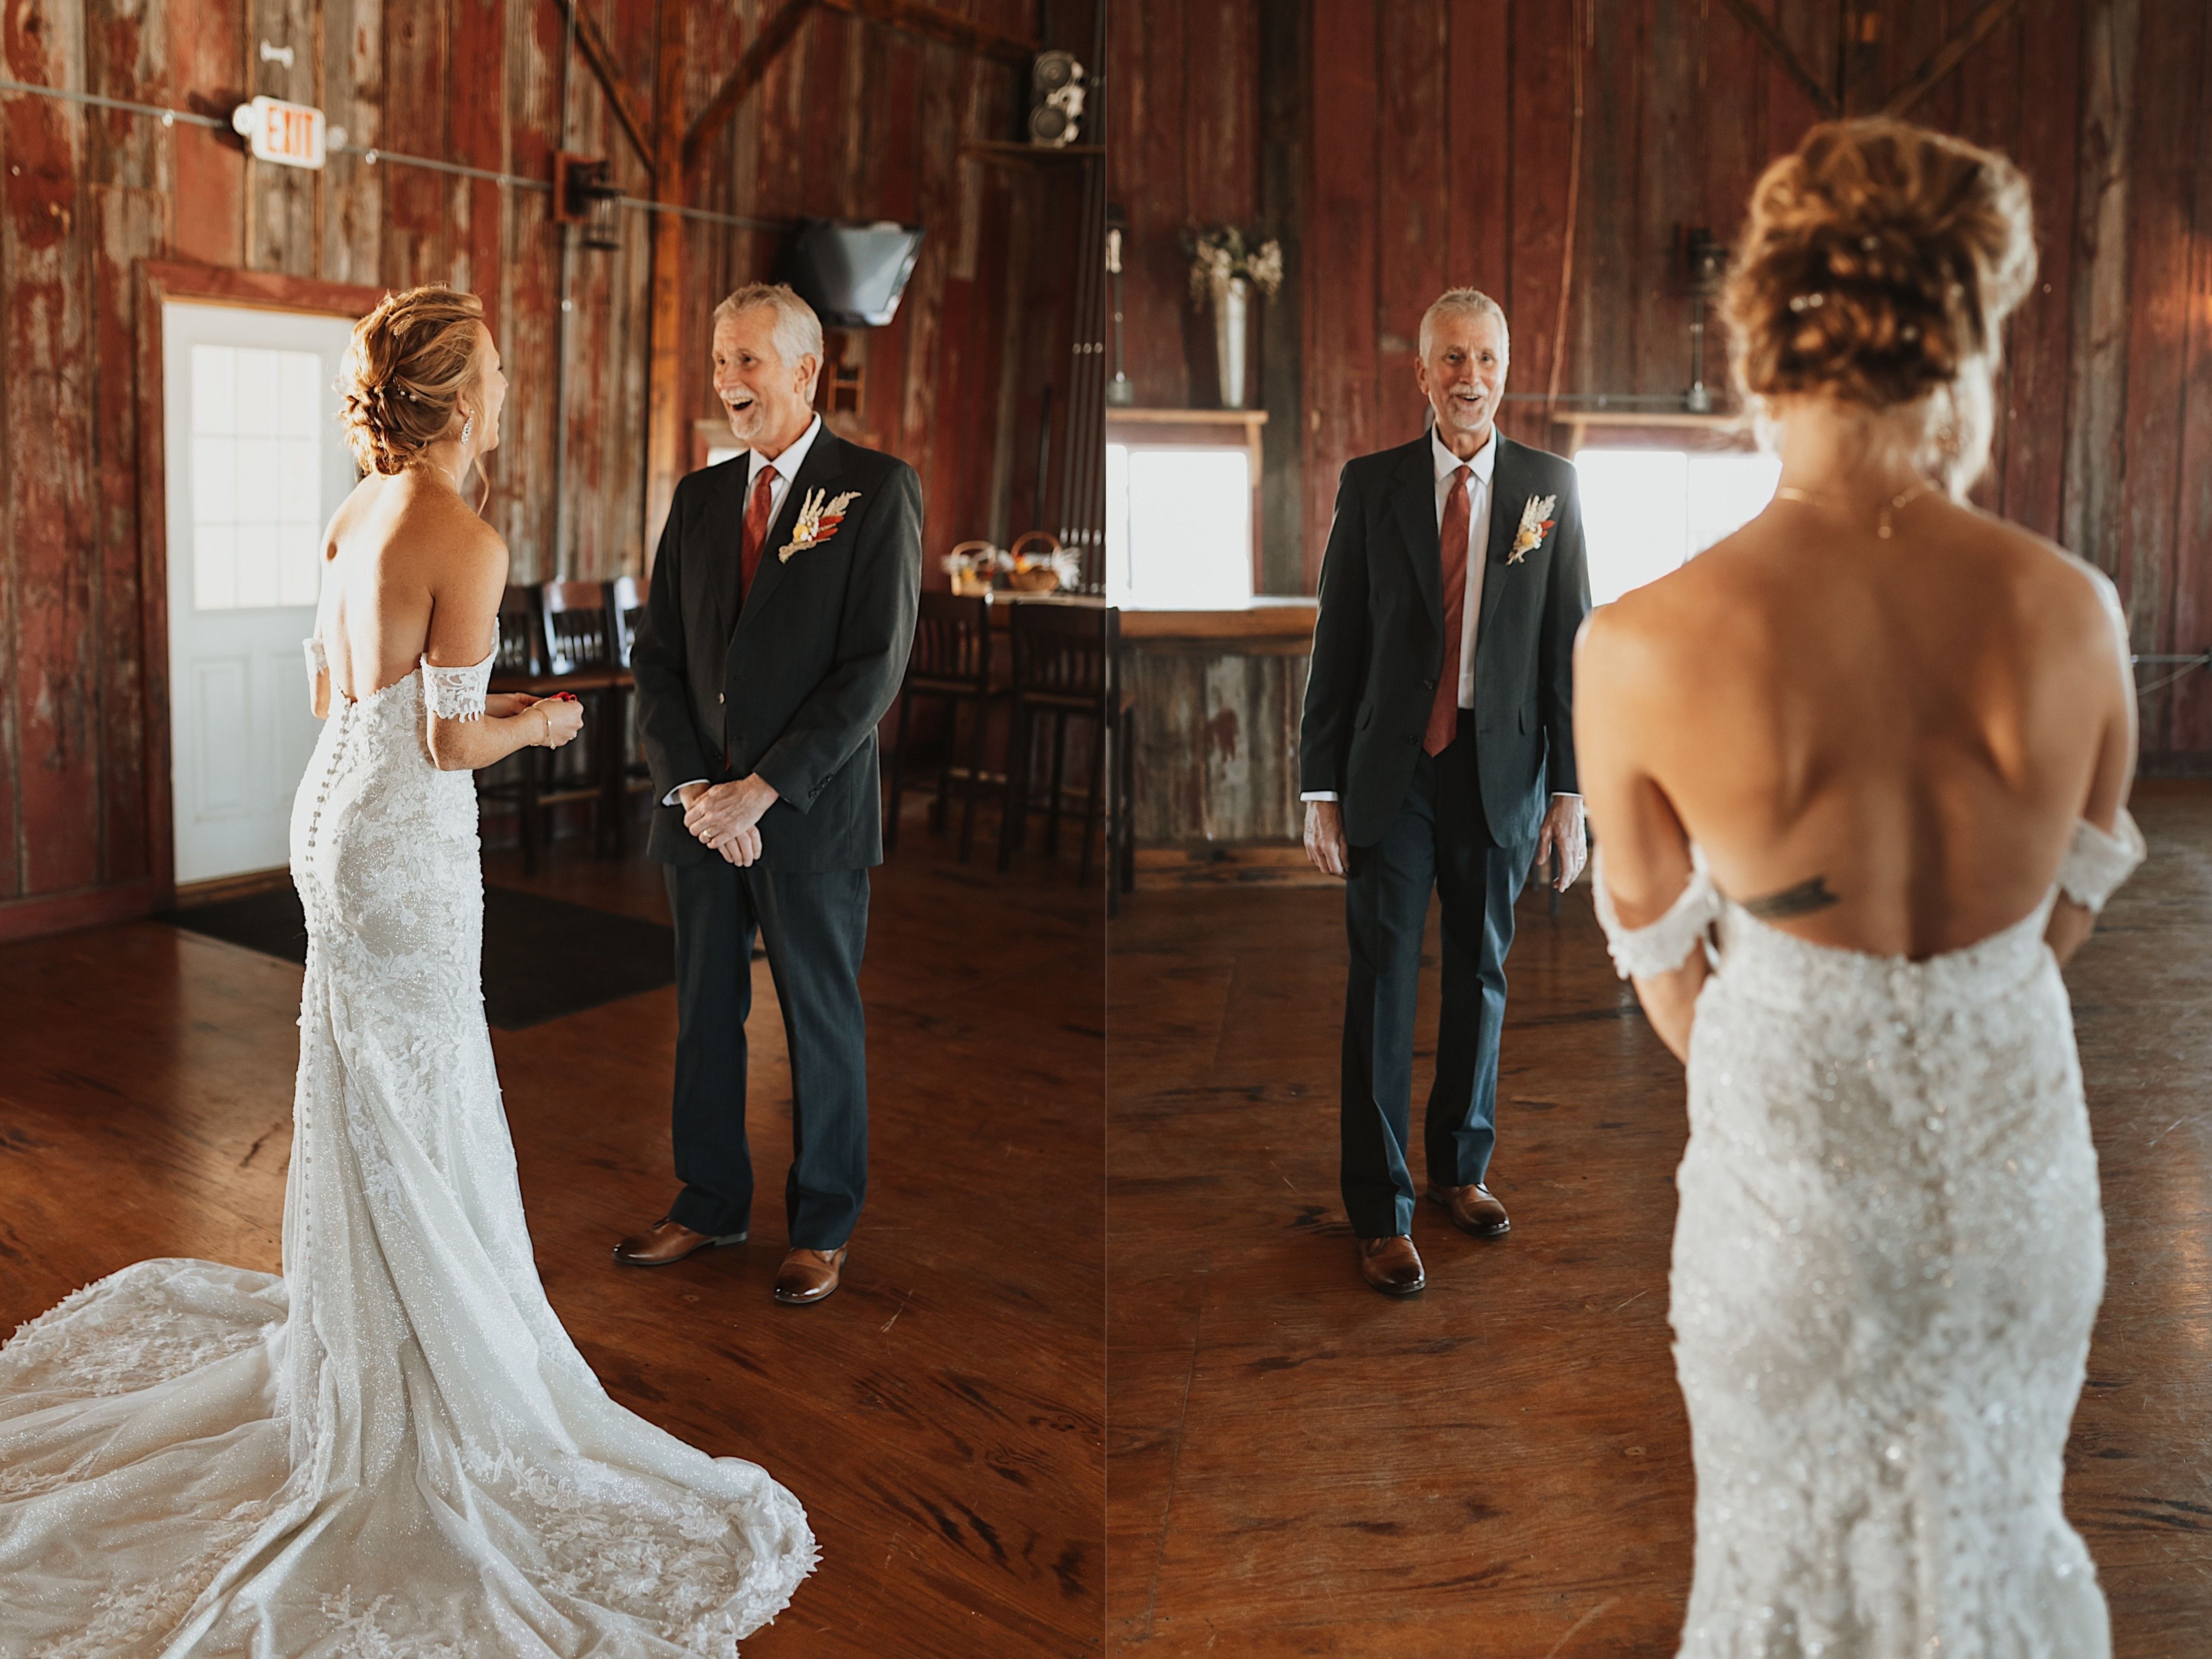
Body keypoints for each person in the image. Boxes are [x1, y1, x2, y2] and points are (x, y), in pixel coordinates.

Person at [0, 286, 814, 1653]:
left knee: (363, 1079)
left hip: (328, 821)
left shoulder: (356, 513)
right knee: (423, 1086)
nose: (503, 391)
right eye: (492, 372)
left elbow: (351, 699)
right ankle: (440, 1362)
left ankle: (366, 1327)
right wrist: (546, 724)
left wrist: (480, 706)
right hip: (404, 850)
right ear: (459, 395)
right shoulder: (468, 536)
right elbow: (442, 750)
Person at [1576, 119, 2141, 1655]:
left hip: (1786, 1186)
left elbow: (1664, 973)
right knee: (1997, 1522)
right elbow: (2064, 916)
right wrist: (1946, 1011)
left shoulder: (1636, 643)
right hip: (2014, 1174)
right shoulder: (2072, 617)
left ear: (1755, 334)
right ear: (1965, 330)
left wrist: (1804, 1034)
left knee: (1781, 1567)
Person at [617, 284, 922, 1307]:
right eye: (720, 361)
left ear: (805, 372)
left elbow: (871, 670)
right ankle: (709, 1200)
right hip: (702, 812)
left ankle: (824, 1222)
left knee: (819, 1016)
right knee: (705, 1013)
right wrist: (696, 787)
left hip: (809, 814)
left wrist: (765, 789)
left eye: (749, 362)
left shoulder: (874, 489)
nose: (728, 383)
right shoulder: (700, 498)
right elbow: (656, 660)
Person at [1298, 288, 1591, 1296]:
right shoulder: (1371, 484)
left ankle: (1460, 1170)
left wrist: (1570, 792)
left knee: (1481, 971)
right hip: (1391, 769)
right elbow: (1336, 644)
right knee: (1381, 982)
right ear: (1420, 373)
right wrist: (1317, 786)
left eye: (1486, 359)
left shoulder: (1550, 489)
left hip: (1500, 767)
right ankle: (1378, 1211)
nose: (1470, 377)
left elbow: (1568, 650)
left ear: (1506, 370)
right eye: (1450, 360)